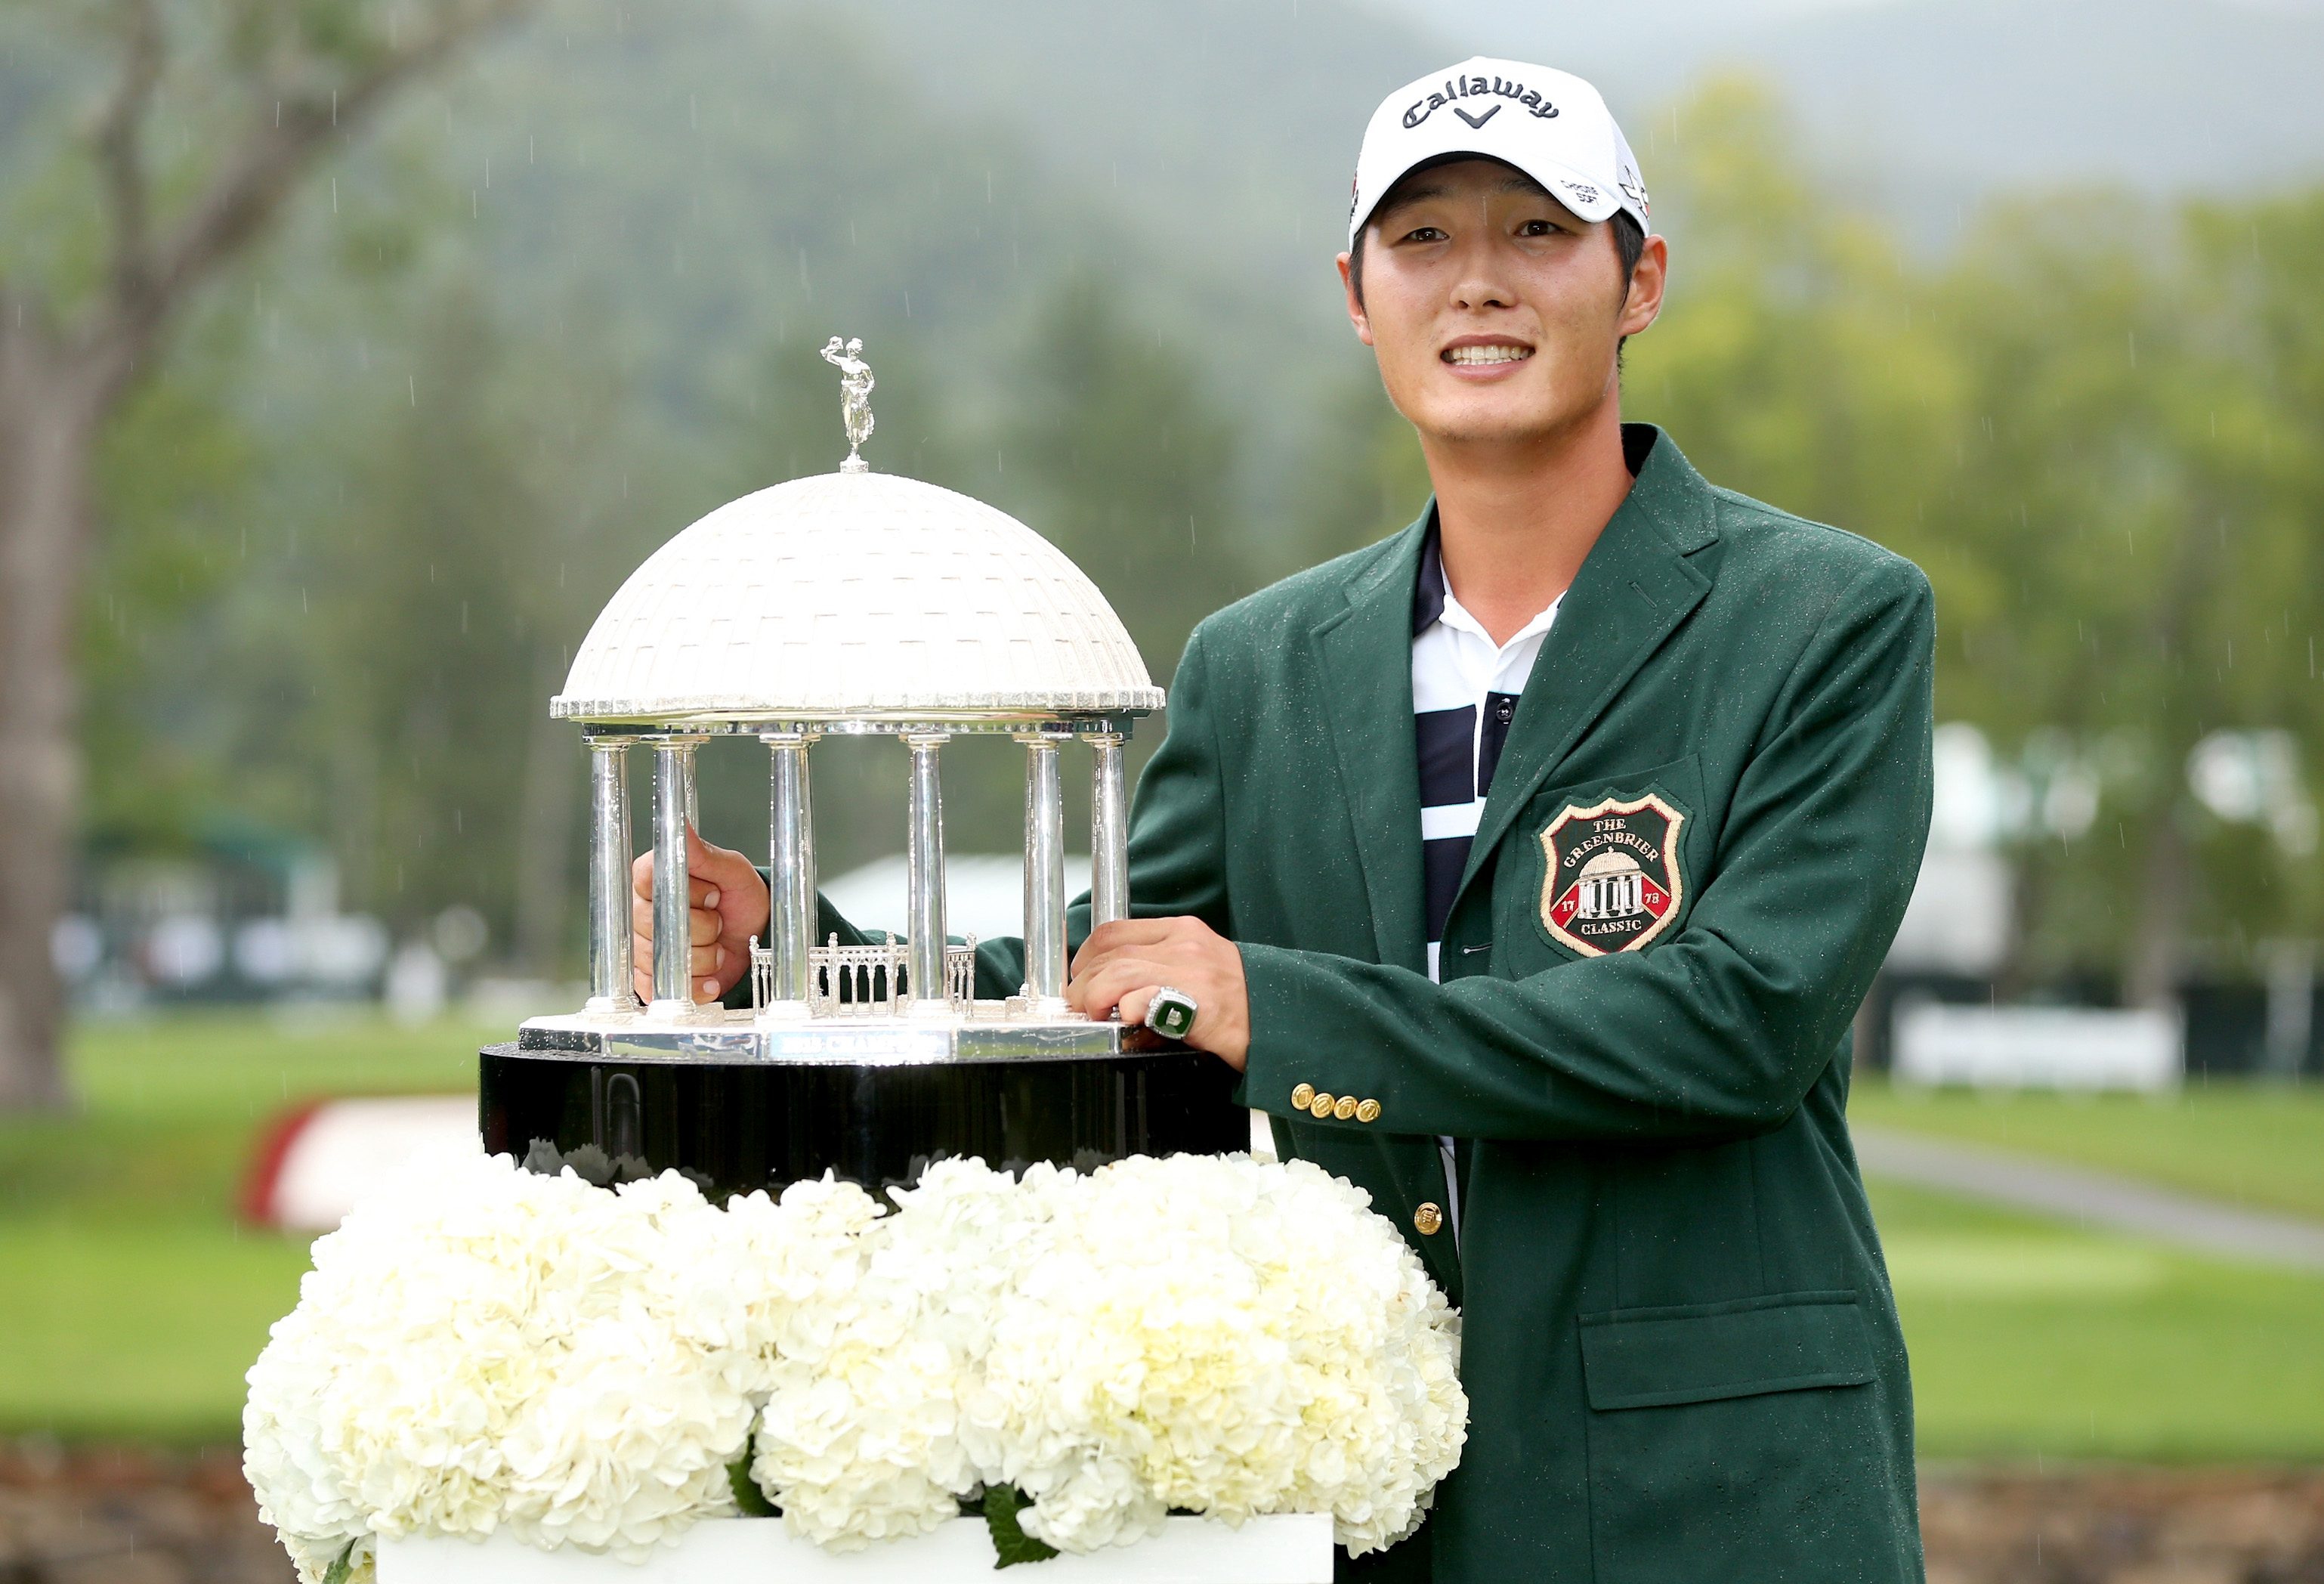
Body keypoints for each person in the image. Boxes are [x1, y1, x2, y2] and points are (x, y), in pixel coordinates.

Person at [634, 55, 1933, 1584]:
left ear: (1637, 279)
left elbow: (1740, 1025)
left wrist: (1280, 1009)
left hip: (1720, 1491)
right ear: (1355, 295)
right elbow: (1096, 988)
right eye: (1422, 238)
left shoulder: (1823, 619)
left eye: (1536, 231)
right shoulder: (1261, 668)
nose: (1477, 283)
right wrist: (789, 948)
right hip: (1373, 1500)